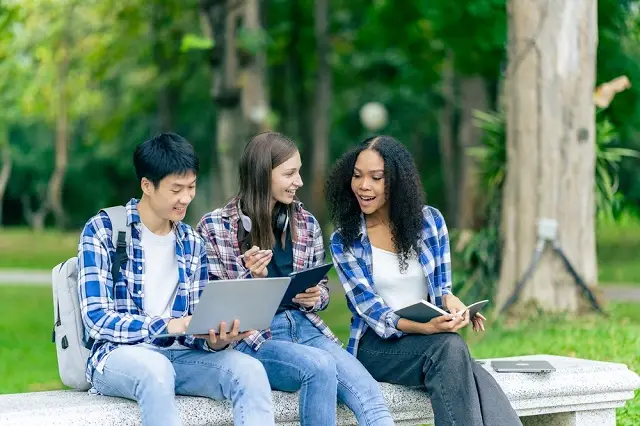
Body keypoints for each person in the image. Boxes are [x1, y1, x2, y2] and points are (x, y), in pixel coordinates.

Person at [196, 131, 393, 426]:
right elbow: (210, 306)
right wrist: (250, 278)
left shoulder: (305, 222)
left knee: (370, 395)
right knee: (319, 366)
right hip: (253, 337)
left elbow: (323, 290)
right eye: (290, 173)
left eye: (298, 172)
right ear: (263, 176)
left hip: (305, 327)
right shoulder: (214, 227)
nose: (299, 181)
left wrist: (317, 296)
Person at [77, 133, 275, 426]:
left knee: (250, 371)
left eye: (191, 187)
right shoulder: (104, 229)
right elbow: (96, 319)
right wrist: (168, 325)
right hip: (118, 356)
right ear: (147, 185)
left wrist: (217, 339)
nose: (186, 198)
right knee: (156, 370)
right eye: (176, 189)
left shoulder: (191, 242)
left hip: (179, 354)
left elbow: (194, 325)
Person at [325, 135, 522, 426]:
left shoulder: (430, 222)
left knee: (457, 357)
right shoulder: (345, 240)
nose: (363, 186)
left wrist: (453, 304)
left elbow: (441, 288)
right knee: (451, 350)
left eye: (376, 178)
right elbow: (372, 312)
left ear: (396, 182)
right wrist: (424, 327)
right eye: (357, 176)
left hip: (429, 342)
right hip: (376, 346)